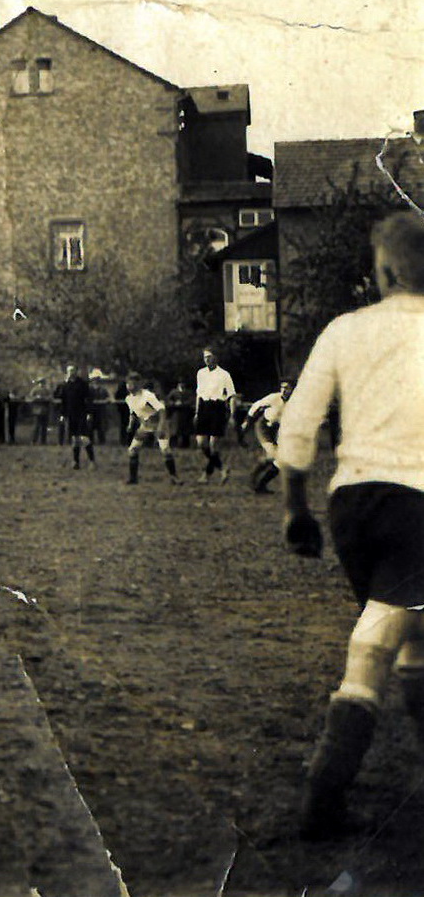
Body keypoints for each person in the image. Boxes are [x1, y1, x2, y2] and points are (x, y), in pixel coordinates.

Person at [275, 212, 424, 839]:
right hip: (418, 502)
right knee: (381, 638)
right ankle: (324, 797)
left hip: (354, 508)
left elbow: (299, 424)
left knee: (408, 624)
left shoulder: (345, 330)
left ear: (385, 269)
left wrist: (295, 509)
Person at [123, 374, 178, 485]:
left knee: (165, 450)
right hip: (145, 426)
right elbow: (133, 413)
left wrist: (161, 425)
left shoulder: (147, 395)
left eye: (132, 383)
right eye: (127, 383)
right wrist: (130, 424)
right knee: (133, 450)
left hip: (157, 423)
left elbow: (161, 409)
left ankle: (175, 478)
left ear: (138, 384)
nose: (129, 386)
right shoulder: (128, 398)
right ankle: (133, 478)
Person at [192, 348, 238, 482]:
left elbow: (232, 396)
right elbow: (198, 394)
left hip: (217, 407)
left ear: (216, 357)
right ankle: (223, 467)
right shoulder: (200, 373)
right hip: (204, 408)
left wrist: (232, 416)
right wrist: (196, 412)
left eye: (210, 356)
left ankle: (206, 474)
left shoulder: (224, 375)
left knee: (213, 444)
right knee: (201, 443)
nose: (207, 359)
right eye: (205, 357)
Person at [243, 379, 293, 494]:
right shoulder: (274, 398)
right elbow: (256, 405)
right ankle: (254, 477)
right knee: (274, 455)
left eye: (287, 388)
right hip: (264, 427)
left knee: (280, 460)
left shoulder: (296, 402)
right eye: (282, 387)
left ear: (292, 390)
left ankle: (261, 485)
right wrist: (247, 421)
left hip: (280, 430)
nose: (284, 390)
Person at [56, 364, 94, 468]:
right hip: (71, 415)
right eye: (69, 370)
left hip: (82, 414)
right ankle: (76, 462)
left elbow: (88, 400)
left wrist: (89, 413)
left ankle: (92, 461)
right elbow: (63, 401)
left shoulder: (82, 384)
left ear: (76, 371)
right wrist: (62, 414)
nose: (71, 372)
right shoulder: (65, 385)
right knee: (75, 439)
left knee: (84, 438)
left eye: (73, 370)